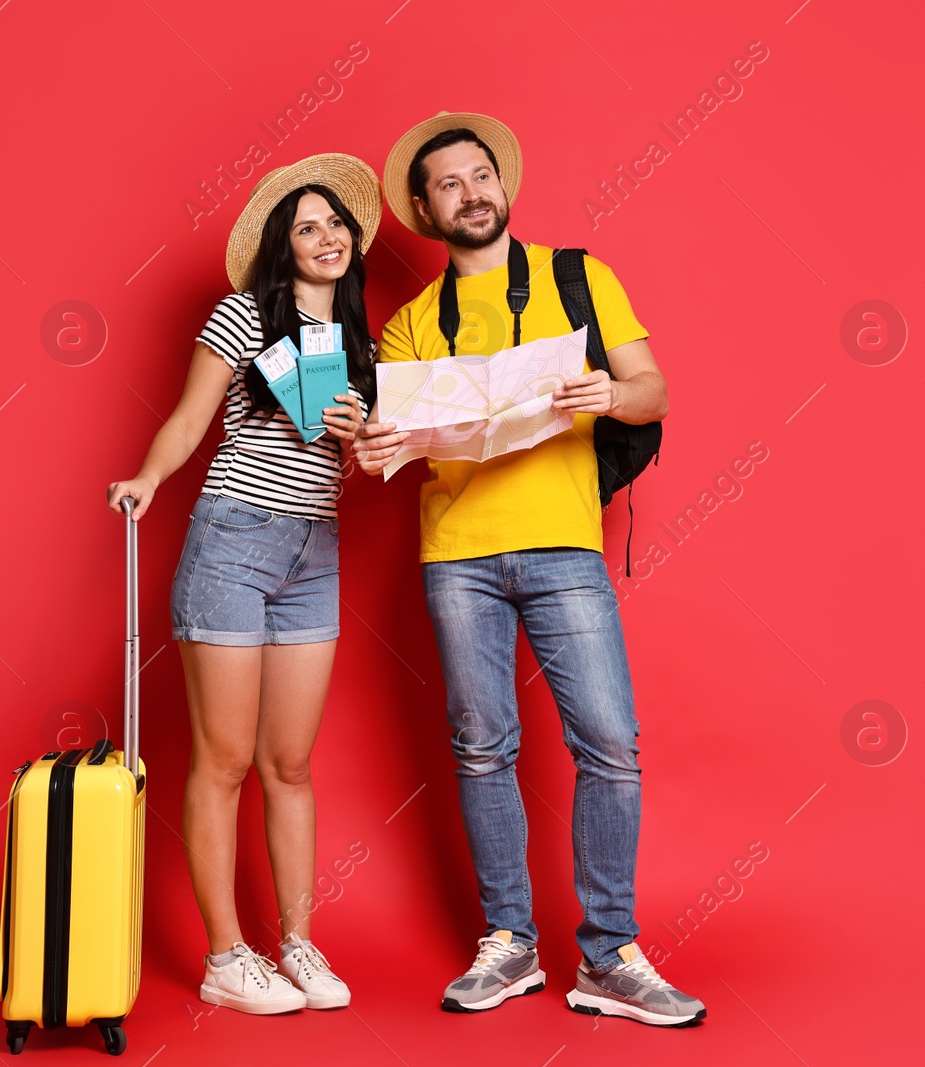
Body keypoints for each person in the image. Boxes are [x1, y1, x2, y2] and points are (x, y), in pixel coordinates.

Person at [354, 112, 705, 1027]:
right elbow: (392, 448)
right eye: (450, 185)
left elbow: (653, 389)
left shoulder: (577, 277)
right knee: (481, 746)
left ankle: (611, 954)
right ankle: (508, 941)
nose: (471, 193)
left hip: (562, 542)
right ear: (428, 211)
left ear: (501, 186)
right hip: (457, 554)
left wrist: (610, 392)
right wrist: (375, 444)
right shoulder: (407, 325)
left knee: (610, 743)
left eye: (481, 176)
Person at [105, 153, 380, 1015]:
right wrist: (148, 478)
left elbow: (366, 464)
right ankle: (226, 956)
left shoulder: (360, 340)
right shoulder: (242, 317)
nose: (326, 237)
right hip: (233, 539)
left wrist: (364, 431)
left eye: (335, 223)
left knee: (290, 763)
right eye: (307, 227)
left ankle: (296, 940)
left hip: (316, 550)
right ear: (281, 246)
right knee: (223, 760)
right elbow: (191, 417)